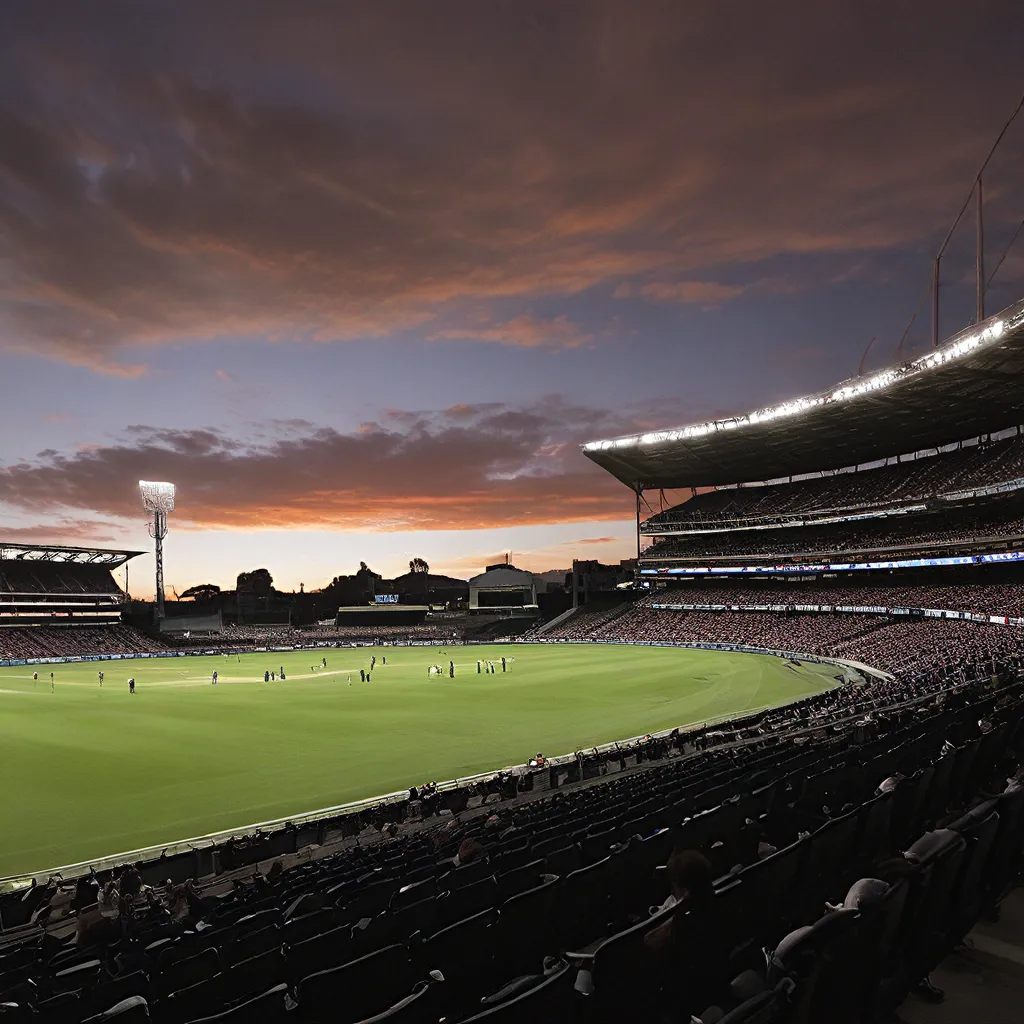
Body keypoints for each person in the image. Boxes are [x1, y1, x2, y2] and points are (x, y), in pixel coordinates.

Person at [644, 849, 714, 952]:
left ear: (685, 892)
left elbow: (649, 940)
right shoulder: (722, 903)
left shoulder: (682, 925)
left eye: (674, 887)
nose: (672, 892)